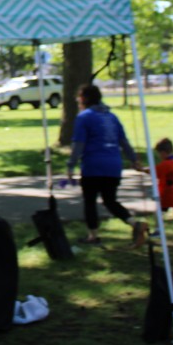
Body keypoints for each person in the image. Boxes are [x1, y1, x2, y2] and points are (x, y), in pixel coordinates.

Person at [66, 83, 147, 246]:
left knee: (90, 202)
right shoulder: (112, 117)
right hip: (113, 166)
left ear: (84, 99)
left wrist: (71, 165)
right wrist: (133, 160)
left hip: (93, 166)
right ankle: (135, 224)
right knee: (110, 201)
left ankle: (93, 236)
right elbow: (124, 142)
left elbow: (79, 144)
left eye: (79, 98)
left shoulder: (84, 117)